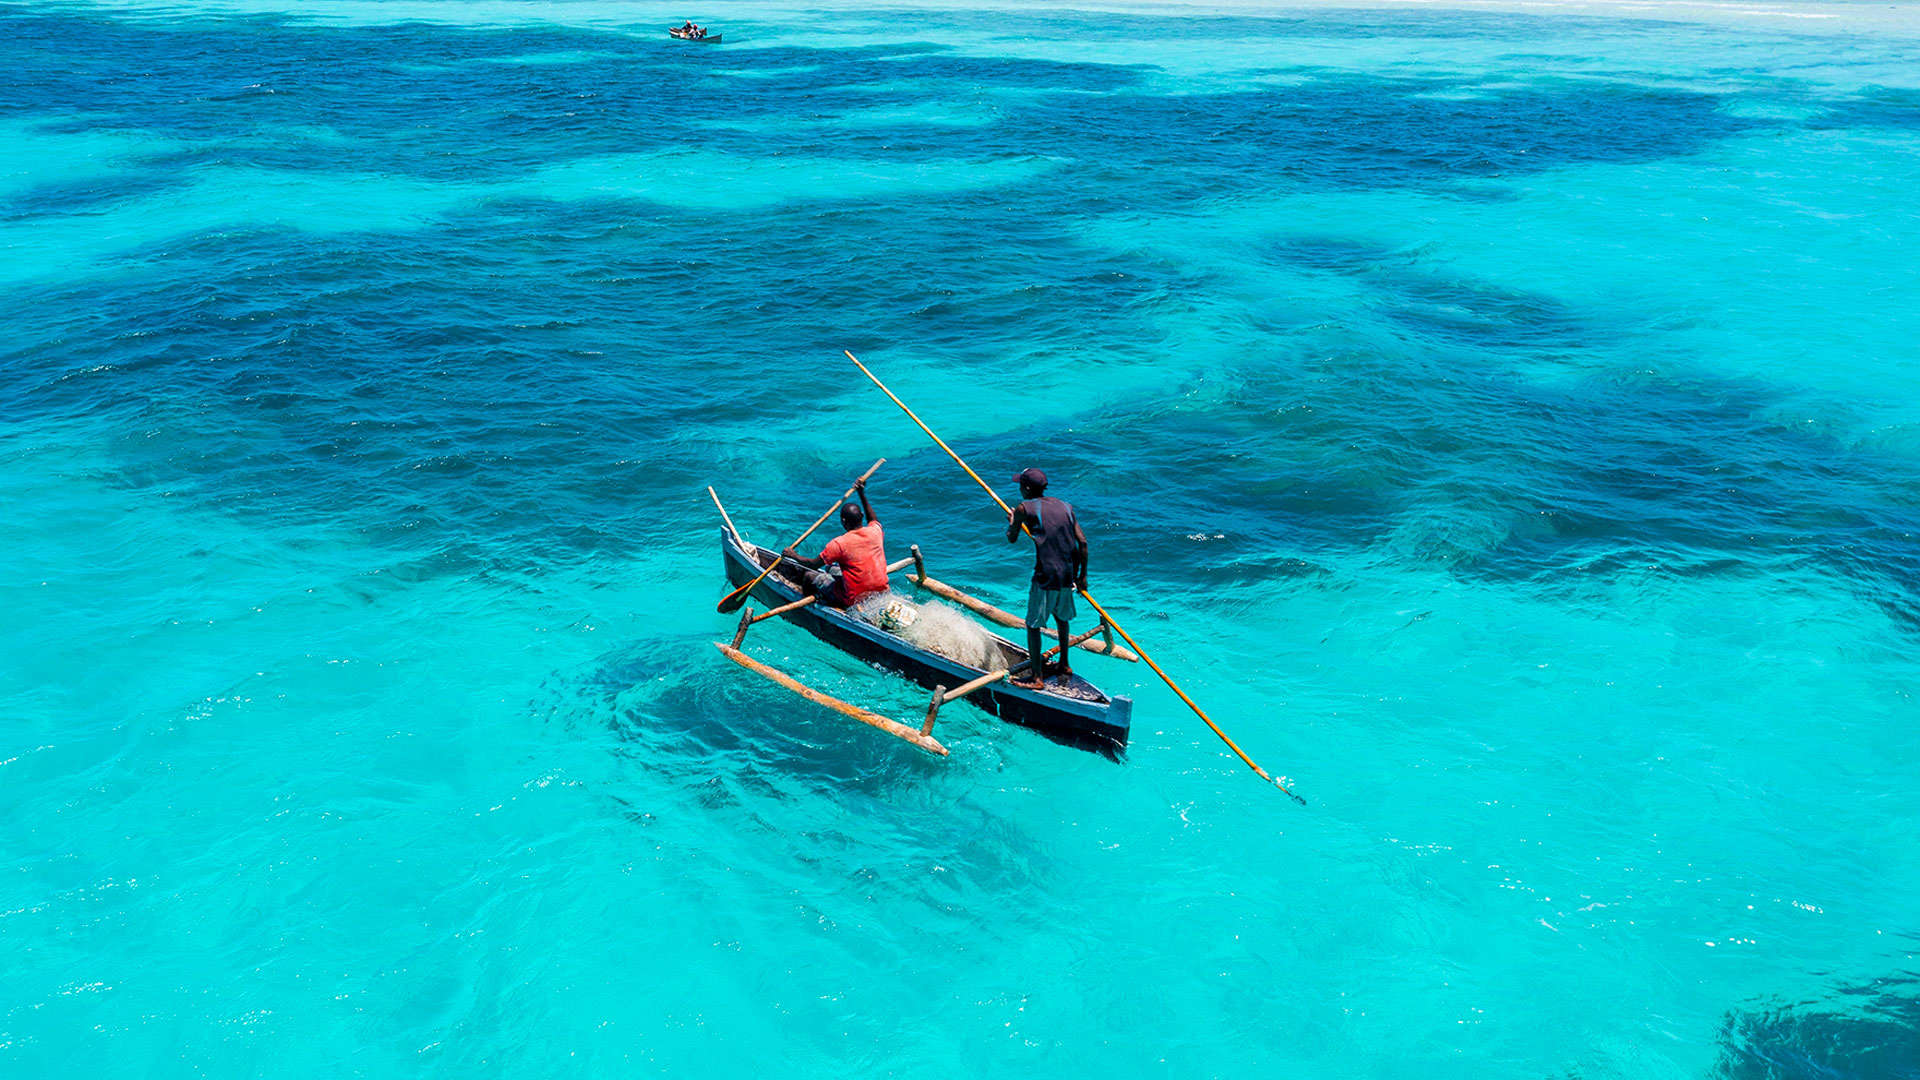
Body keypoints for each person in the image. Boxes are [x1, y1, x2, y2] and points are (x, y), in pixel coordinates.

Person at [1004, 466, 1088, 689]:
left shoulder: (1024, 508)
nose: (1020, 489)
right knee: (1062, 619)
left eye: (1021, 485)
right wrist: (1082, 577)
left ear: (1028, 488)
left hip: (1045, 576)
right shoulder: (1066, 507)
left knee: (1032, 625)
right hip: (1067, 576)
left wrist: (1013, 521)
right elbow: (1083, 543)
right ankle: (1064, 664)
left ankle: (1037, 678)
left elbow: (1012, 538)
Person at [782, 478, 887, 608]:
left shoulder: (839, 544)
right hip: (881, 591)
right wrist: (861, 493)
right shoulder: (875, 531)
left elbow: (812, 565)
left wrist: (793, 555)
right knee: (830, 568)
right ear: (861, 515)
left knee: (809, 576)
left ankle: (811, 608)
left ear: (843, 522)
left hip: (852, 599)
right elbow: (873, 519)